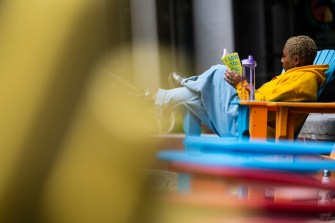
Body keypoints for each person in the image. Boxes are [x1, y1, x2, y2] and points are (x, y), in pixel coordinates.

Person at [153, 35, 328, 138]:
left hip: (248, 129)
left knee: (219, 71)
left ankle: (180, 85)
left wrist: (240, 84)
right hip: (247, 119)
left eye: (284, 56)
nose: (281, 60)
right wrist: (243, 85)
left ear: (296, 60)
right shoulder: (296, 76)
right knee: (196, 96)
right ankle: (157, 100)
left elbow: (258, 101)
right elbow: (261, 98)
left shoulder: (302, 81)